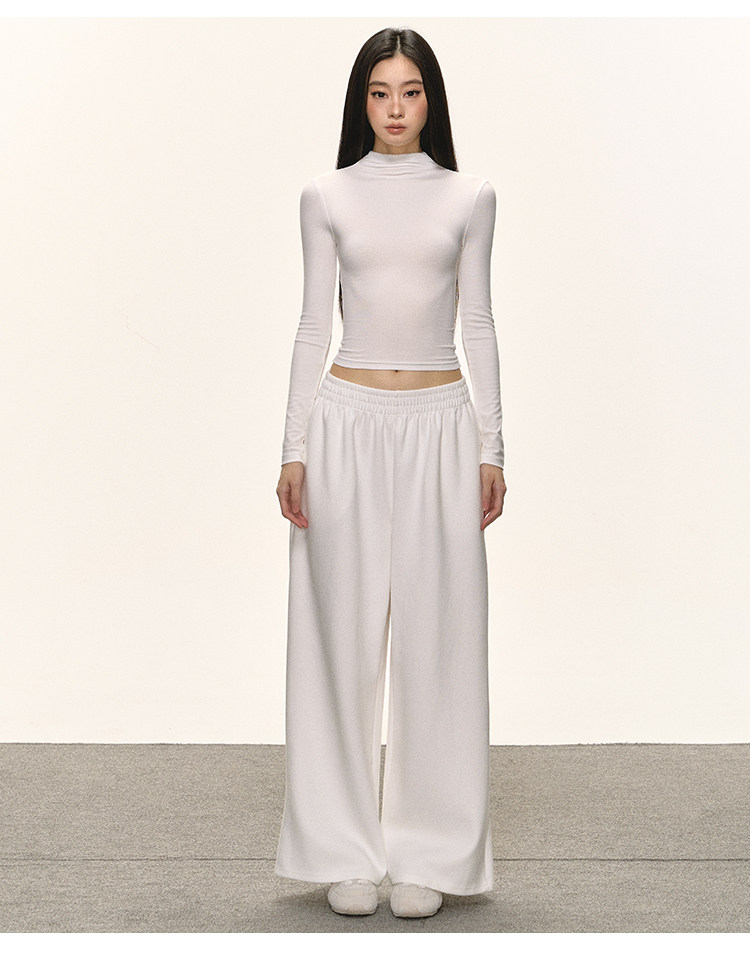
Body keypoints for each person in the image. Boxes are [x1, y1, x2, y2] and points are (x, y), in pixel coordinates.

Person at [274, 26, 506, 920]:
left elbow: (477, 321)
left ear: (430, 99)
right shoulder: (326, 195)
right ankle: (342, 848)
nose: (396, 108)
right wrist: (293, 447)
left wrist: (492, 447)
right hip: (345, 424)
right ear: (361, 101)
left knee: (440, 643)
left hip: (442, 426)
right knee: (337, 639)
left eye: (410, 91)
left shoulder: (469, 196)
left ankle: (430, 854)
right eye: (380, 92)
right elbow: (312, 325)